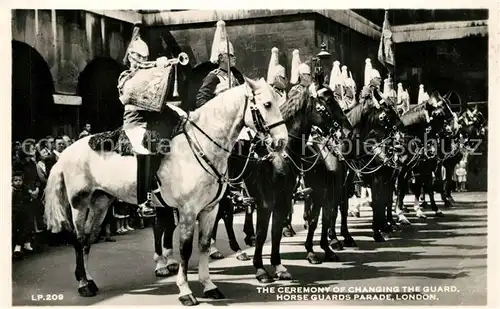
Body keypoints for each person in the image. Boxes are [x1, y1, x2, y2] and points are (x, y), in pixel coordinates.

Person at [117, 23, 182, 216]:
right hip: (134, 123)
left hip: (150, 122)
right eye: (138, 57)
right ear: (130, 56)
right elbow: (131, 93)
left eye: (145, 58)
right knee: (144, 148)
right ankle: (143, 198)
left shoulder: (147, 73)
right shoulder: (125, 75)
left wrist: (164, 70)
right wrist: (154, 69)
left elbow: (159, 96)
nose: (142, 60)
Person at [195, 40, 244, 108]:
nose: (234, 57)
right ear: (221, 57)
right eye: (230, 55)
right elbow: (200, 101)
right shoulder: (213, 77)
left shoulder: (234, 76)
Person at [12, 171, 33, 259]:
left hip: (22, 212)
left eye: (20, 180)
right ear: (12, 181)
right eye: (15, 180)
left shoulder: (24, 189)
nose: (18, 182)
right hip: (13, 212)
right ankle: (17, 247)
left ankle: (19, 247)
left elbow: (29, 197)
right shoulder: (10, 190)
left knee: (25, 227)